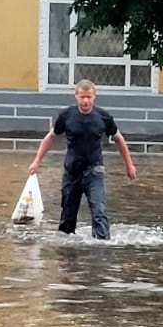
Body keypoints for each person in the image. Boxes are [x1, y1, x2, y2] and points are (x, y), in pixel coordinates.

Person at [28, 80, 137, 239]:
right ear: (76, 96)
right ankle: (67, 250)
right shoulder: (66, 116)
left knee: (99, 211)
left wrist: (129, 165)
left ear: (94, 97)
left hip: (95, 172)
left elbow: (119, 139)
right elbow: (50, 137)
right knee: (68, 216)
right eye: (82, 97)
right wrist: (37, 161)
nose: (85, 101)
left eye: (89, 97)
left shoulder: (103, 117)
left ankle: (101, 247)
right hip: (72, 173)